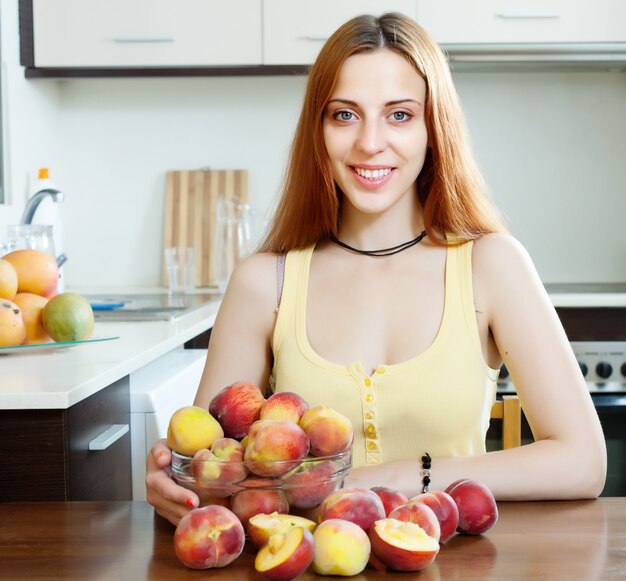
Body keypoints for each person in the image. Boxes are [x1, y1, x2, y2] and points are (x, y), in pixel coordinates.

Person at [146, 12, 606, 526]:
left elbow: (584, 462)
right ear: (318, 131)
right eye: (344, 115)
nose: (369, 142)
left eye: (400, 115)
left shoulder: (491, 265)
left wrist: (401, 475)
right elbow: (218, 476)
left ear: (434, 128)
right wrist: (179, 480)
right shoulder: (263, 283)